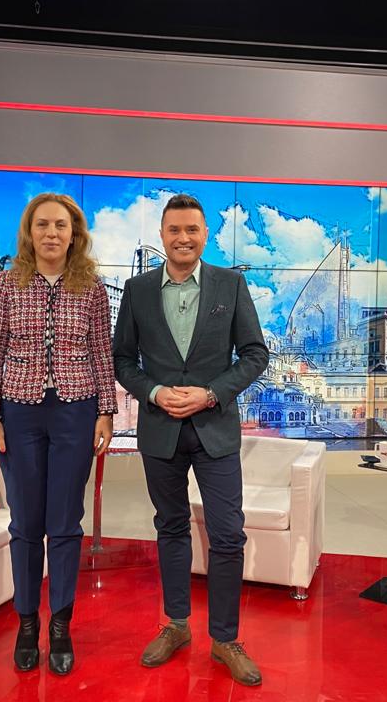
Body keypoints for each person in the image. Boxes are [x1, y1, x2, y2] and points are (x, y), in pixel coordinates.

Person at [113, 193, 269, 686]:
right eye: (175, 230)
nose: (183, 238)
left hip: (215, 429)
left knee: (228, 535)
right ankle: (177, 625)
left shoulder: (231, 284)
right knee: (171, 528)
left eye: (192, 230)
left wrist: (210, 394)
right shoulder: (137, 290)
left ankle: (225, 638)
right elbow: (123, 360)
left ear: (205, 235)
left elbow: (255, 354)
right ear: (163, 235)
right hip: (160, 430)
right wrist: (154, 392)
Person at [0, 192, 117, 675]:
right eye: (43, 224)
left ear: (74, 233)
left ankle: (60, 624)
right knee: (24, 523)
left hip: (76, 413)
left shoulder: (92, 288)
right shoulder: (7, 284)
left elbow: (102, 353)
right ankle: (26, 623)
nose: (52, 233)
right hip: (18, 413)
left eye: (61, 225)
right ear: (29, 232)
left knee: (64, 522)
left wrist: (106, 412)